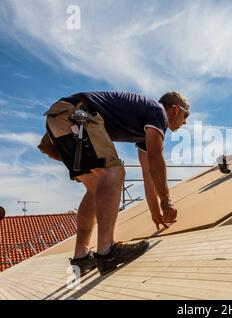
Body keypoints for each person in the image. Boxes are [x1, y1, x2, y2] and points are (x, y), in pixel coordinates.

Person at [38, 91, 190, 276]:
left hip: (59, 121)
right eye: (186, 115)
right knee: (114, 174)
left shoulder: (144, 129)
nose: (185, 122)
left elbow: (148, 170)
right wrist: (166, 200)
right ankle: (107, 252)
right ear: (175, 109)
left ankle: (82, 258)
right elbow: (156, 158)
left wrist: (155, 211)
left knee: (96, 187)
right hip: (75, 116)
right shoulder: (157, 111)